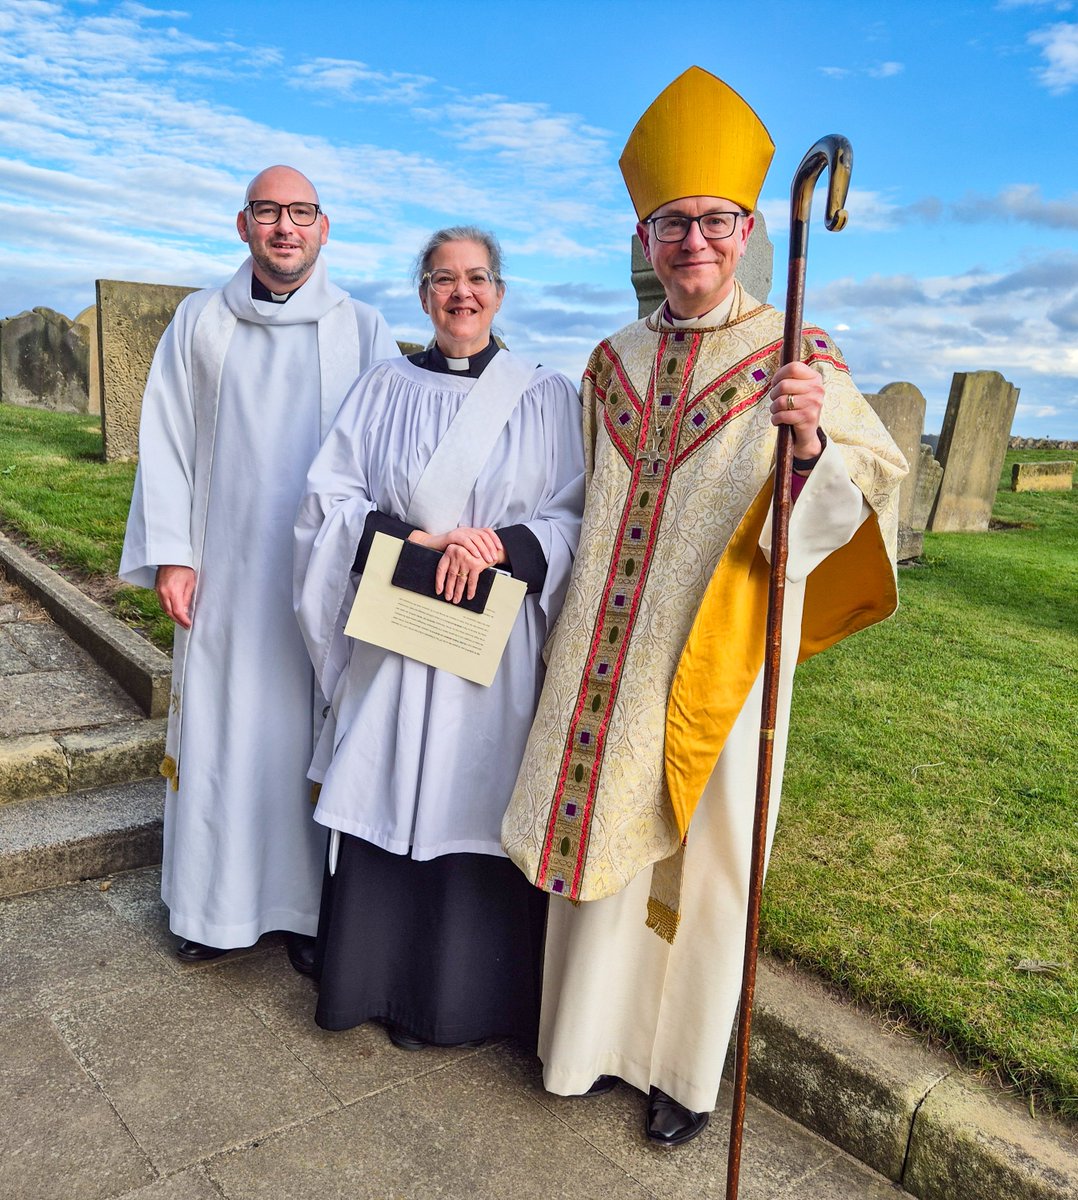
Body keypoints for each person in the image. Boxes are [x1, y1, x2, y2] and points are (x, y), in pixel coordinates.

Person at [502, 67, 907, 1148]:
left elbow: (872, 486)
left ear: (744, 231)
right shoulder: (609, 363)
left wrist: (813, 442)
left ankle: (682, 1074)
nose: (693, 244)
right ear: (644, 236)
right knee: (603, 851)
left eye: (714, 223)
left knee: (707, 866)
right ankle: (580, 1045)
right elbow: (570, 497)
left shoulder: (800, 356)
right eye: (671, 224)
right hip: (604, 653)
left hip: (717, 660)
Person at [293, 226, 585, 1049]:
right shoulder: (383, 388)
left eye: (478, 278)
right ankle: (369, 981)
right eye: (444, 279)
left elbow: (572, 513)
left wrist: (501, 545)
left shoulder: (545, 396)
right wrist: (408, 539)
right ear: (423, 296)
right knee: (383, 783)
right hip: (396, 626)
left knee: (472, 788)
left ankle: (458, 1002)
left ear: (501, 291)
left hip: (490, 648)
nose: (463, 294)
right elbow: (328, 499)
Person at [120, 165, 399, 971]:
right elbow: (165, 440)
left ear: (324, 226)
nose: (286, 227)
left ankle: (309, 916)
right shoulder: (200, 321)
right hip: (226, 573)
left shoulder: (363, 328)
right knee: (221, 732)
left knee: (313, 735)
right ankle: (210, 909)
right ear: (242, 226)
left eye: (301, 212)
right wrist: (173, 555)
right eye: (269, 212)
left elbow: (390, 450)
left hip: (326, 576)